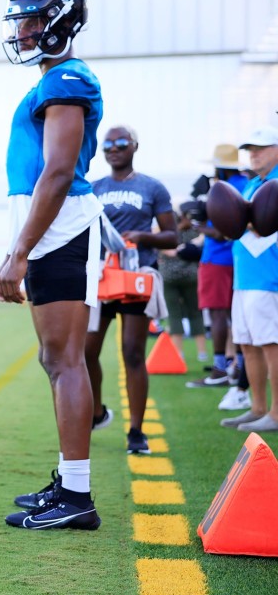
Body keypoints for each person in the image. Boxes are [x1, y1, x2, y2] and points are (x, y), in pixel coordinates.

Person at [0, 0, 104, 531]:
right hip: (50, 231)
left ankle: (78, 497)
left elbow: (59, 170)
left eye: (34, 18)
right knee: (55, 359)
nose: (25, 30)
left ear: (60, 18)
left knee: (66, 360)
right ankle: (68, 480)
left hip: (63, 230)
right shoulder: (53, 79)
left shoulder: (69, 78)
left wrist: (19, 252)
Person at [85, 125, 177, 455]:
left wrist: (143, 237)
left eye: (121, 143)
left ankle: (136, 431)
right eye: (108, 144)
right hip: (102, 276)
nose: (113, 148)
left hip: (137, 276)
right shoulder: (94, 187)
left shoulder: (152, 186)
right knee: (85, 350)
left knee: (133, 352)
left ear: (134, 146)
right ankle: (96, 413)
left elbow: (173, 236)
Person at [221, 126, 278, 432]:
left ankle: (276, 412)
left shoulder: (275, 182)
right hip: (244, 277)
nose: (254, 154)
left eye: (261, 148)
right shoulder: (252, 183)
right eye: (250, 149)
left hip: (269, 277)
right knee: (246, 343)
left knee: (271, 343)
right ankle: (257, 407)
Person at [187, 144, 250, 389]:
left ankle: (221, 367)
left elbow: (223, 232)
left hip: (217, 260)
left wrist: (197, 225)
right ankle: (238, 364)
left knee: (217, 313)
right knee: (236, 315)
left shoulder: (224, 189)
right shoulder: (246, 184)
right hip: (236, 260)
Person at [158, 202, 209, 366]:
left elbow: (161, 247)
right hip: (190, 277)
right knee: (195, 313)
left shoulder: (168, 232)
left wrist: (176, 250)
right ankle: (202, 353)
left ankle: (178, 353)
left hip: (169, 277)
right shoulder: (195, 232)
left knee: (174, 315)